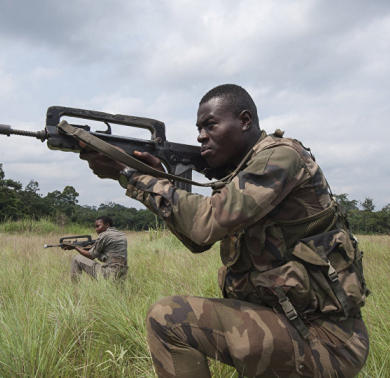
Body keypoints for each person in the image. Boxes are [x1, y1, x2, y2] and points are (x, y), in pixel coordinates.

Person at [79, 84, 370, 377]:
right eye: (199, 128)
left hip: (327, 340)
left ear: (244, 121)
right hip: (289, 324)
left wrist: (129, 174)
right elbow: (197, 240)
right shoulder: (239, 174)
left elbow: (205, 224)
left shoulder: (280, 157)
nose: (200, 135)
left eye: (210, 125)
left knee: (168, 318)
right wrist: (155, 176)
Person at [62, 215, 128, 281]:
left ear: (107, 224)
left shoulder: (104, 235)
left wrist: (75, 247)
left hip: (109, 272)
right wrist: (90, 248)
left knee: (76, 258)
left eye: (98, 226)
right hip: (122, 273)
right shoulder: (121, 234)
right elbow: (107, 254)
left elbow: (91, 256)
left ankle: (75, 288)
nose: (96, 229)